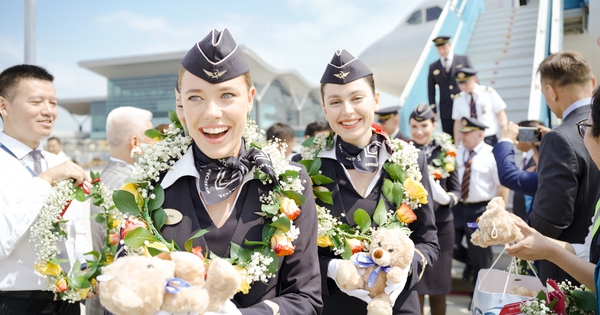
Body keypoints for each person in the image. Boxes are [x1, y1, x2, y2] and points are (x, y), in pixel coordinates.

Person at [157, 28, 322, 314]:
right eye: (195, 97)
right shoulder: (151, 185)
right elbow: (124, 292)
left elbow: (306, 297)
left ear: (249, 100)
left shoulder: (290, 183)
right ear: (180, 102)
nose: (211, 112)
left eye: (227, 95)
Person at [295, 49, 439, 315]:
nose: (347, 111)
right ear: (325, 109)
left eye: (357, 98)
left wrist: (406, 269)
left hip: (398, 305)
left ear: (375, 100)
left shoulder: (409, 159)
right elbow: (295, 250)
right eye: (335, 102)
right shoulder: (301, 166)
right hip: (332, 306)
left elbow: (428, 240)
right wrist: (332, 269)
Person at [0, 64, 90, 314]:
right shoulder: (52, 171)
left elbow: (76, 233)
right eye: (37, 102)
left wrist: (85, 269)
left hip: (68, 300)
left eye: (53, 103)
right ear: (3, 106)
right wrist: (45, 181)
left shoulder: (60, 163)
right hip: (15, 303)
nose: (48, 111)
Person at [506, 87, 600, 304]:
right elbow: (587, 251)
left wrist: (550, 250)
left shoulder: (559, 141)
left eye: (586, 125)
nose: (582, 133)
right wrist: (537, 239)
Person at [528, 51, 600, 285]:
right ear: (592, 82)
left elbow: (551, 219)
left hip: (569, 274)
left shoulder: (559, 137)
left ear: (551, 91)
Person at [87, 106, 154, 315]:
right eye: (151, 137)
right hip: (119, 301)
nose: (155, 144)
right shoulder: (127, 187)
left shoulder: (104, 179)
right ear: (135, 143)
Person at [408, 104, 460, 315]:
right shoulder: (404, 151)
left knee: (439, 287)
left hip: (442, 226)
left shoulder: (446, 150)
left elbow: (457, 191)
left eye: (424, 125)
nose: (419, 131)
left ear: (434, 124)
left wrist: (445, 198)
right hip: (414, 227)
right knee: (415, 287)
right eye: (414, 126)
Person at [453, 117, 503, 290]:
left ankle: (478, 295)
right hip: (458, 209)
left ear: (480, 134)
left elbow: (500, 186)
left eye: (468, 133)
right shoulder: (456, 152)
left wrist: (497, 212)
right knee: (450, 244)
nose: (463, 136)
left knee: (480, 254)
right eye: (462, 132)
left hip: (480, 211)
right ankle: (470, 262)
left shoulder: (492, 154)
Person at [492, 120, 545, 220]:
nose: (516, 138)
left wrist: (505, 140)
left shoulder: (544, 174)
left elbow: (510, 176)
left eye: (519, 133)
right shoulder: (529, 163)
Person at [427, 36, 473, 139]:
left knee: (468, 133)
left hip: (464, 103)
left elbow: (473, 80)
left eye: (443, 47)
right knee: (449, 138)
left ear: (450, 45)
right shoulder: (433, 67)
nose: (441, 51)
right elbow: (431, 91)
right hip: (446, 108)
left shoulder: (463, 60)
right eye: (439, 48)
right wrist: (434, 110)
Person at [451, 68, 508, 146]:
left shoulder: (487, 92)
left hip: (488, 138)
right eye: (460, 84)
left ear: (475, 79)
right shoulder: (458, 98)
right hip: (470, 139)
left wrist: (504, 130)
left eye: (466, 82)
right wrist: (457, 143)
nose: (463, 86)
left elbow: (500, 112)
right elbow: (458, 122)